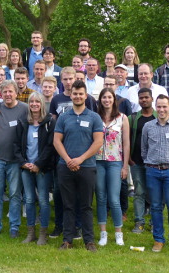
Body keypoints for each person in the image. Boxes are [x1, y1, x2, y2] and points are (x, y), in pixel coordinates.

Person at [53, 80, 103, 252]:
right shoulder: (64, 117)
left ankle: (89, 241)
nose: (78, 96)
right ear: (71, 94)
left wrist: (80, 159)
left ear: (86, 95)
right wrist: (68, 159)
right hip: (65, 166)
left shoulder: (94, 117)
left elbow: (98, 142)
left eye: (81, 93)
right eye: (75, 93)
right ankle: (67, 240)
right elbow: (56, 141)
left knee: (86, 205)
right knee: (68, 205)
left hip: (87, 166)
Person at [141, 94, 169, 252]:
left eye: (164, 106)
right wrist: (149, 163)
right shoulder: (148, 127)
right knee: (155, 206)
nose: (161, 109)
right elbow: (144, 149)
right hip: (153, 171)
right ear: (155, 107)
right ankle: (158, 240)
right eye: (159, 106)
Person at [0, 80, 28, 238]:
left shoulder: (24, 109)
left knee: (15, 194)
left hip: (15, 160)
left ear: (16, 93)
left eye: (10, 91)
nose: (8, 95)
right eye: (5, 92)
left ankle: (14, 227)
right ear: (1, 94)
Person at [15, 92, 55, 245]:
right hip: (26, 167)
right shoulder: (23, 122)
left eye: (37, 102)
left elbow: (50, 147)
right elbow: (16, 145)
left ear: (42, 104)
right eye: (31, 102)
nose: (34, 104)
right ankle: (31, 233)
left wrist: (38, 164)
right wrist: (23, 163)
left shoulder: (49, 122)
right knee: (29, 199)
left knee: (44, 200)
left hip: (43, 168)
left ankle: (43, 234)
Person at [95, 88, 130, 246]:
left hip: (115, 161)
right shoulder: (95, 117)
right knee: (101, 198)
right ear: (100, 100)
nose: (106, 100)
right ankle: (103, 233)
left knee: (114, 199)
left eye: (109, 97)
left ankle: (118, 233)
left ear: (114, 99)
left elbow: (126, 143)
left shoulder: (122, 118)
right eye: (104, 97)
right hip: (97, 161)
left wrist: (125, 166)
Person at [128, 88, 157, 234]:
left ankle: (154, 223)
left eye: (146, 97)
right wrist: (129, 159)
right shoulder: (133, 118)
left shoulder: (158, 117)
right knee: (139, 192)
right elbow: (126, 140)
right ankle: (139, 222)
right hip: (137, 162)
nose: (144, 100)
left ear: (152, 98)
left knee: (154, 193)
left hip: (155, 164)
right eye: (141, 98)